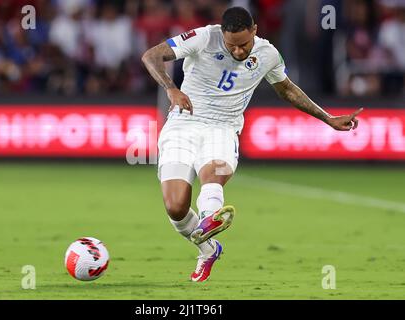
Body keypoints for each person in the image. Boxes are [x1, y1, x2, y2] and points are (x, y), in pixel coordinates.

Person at [141, 6, 363, 282]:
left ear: (255, 31)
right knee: (175, 206)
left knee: (213, 172)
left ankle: (210, 217)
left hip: (222, 128)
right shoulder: (202, 37)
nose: (237, 52)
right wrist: (170, 88)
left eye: (243, 45)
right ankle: (208, 248)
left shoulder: (267, 53)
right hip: (182, 124)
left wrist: (328, 118)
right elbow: (151, 55)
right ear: (222, 34)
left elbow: (287, 89)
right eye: (231, 45)